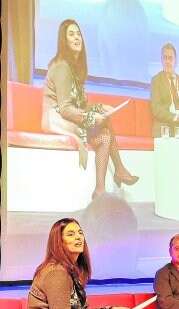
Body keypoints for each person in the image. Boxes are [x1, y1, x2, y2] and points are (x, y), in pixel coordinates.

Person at [41, 19, 138, 200]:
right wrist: (93, 118)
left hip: (69, 118)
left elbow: (79, 105)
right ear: (64, 40)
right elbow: (65, 109)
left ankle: (101, 189)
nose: (77, 37)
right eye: (71, 34)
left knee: (105, 135)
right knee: (104, 127)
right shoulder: (61, 66)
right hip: (58, 120)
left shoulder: (74, 68)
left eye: (78, 33)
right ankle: (118, 172)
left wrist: (99, 108)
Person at [25, 218, 130, 309]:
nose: (78, 237)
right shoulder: (56, 272)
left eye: (80, 233)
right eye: (71, 234)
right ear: (59, 241)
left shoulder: (71, 270)